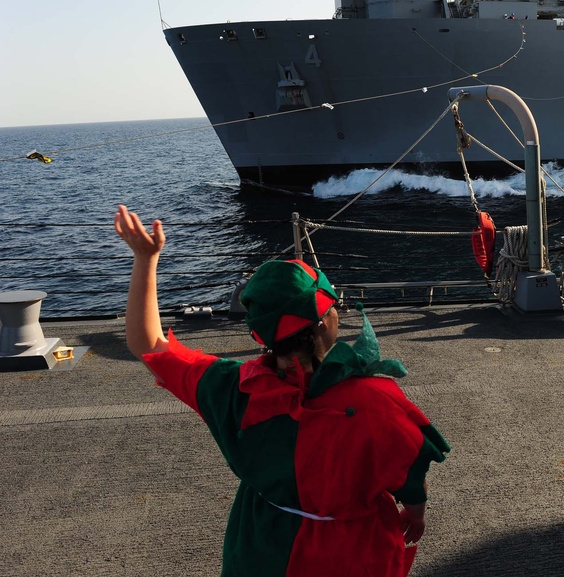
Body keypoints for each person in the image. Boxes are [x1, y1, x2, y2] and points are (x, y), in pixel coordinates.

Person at [114, 204, 450, 576]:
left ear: (261, 333)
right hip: (353, 551)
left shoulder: (231, 388)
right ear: (326, 322)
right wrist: (415, 512)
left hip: (262, 544)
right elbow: (409, 471)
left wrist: (146, 258)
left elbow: (147, 344)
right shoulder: (378, 400)